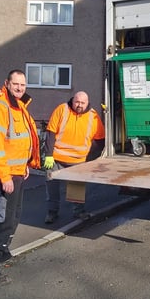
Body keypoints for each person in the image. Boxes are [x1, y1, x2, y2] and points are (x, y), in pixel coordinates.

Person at [0, 69, 40, 285]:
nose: (20, 88)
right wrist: (4, 176)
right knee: (1, 219)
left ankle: (1, 250)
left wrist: (24, 165)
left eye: (23, 85)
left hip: (17, 173)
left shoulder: (18, 106)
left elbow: (18, 140)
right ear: (7, 83)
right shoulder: (0, 106)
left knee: (13, 217)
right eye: (16, 84)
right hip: (5, 175)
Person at [43, 91, 105, 224]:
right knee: (52, 188)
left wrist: (91, 158)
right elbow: (51, 133)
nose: (79, 105)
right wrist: (48, 155)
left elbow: (100, 140)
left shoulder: (93, 116)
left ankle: (78, 212)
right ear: (73, 100)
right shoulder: (62, 110)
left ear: (87, 103)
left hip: (78, 161)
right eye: (77, 102)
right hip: (56, 159)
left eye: (83, 103)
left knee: (76, 189)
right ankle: (51, 212)